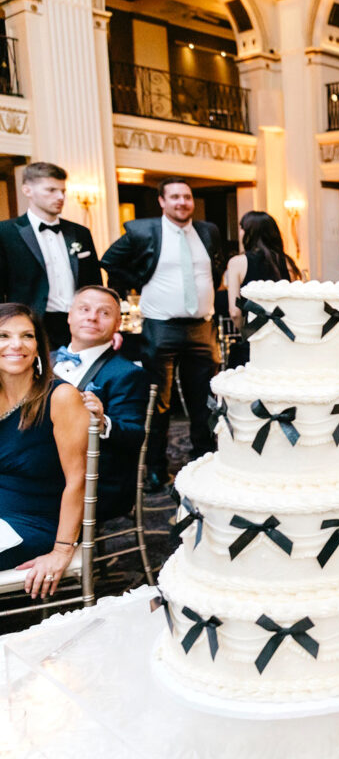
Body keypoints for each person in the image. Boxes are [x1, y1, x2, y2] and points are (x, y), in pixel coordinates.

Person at [100, 177, 226, 492]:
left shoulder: (208, 231)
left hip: (201, 328)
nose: (182, 202)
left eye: (187, 196)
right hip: (160, 328)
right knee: (158, 403)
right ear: (162, 201)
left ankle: (204, 461)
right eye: (174, 197)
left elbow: (215, 268)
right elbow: (109, 260)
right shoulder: (142, 231)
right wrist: (139, 280)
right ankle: (156, 470)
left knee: (206, 401)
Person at [0, 304, 90, 598]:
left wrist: (63, 550)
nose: (16, 344)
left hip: (33, 522)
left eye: (27, 335)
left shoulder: (61, 396)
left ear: (39, 346)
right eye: (4, 335)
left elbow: (78, 480)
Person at [53, 286, 149, 520]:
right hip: (36, 469)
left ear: (118, 324)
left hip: (93, 481)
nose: (92, 317)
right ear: (69, 315)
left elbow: (135, 434)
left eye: (104, 313)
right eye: (84, 309)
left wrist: (102, 422)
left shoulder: (126, 373)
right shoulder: (45, 360)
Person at [0, 163, 102, 348]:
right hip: (30, 323)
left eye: (63, 191)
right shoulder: (5, 232)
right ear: (27, 190)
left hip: (78, 323)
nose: (61, 197)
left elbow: (94, 283)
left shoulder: (80, 233)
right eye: (51, 190)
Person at [226, 211, 301, 366]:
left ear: (248, 232)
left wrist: (245, 332)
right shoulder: (288, 263)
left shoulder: (237, 263)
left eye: (241, 228)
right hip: (283, 341)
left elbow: (235, 311)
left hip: (255, 341)